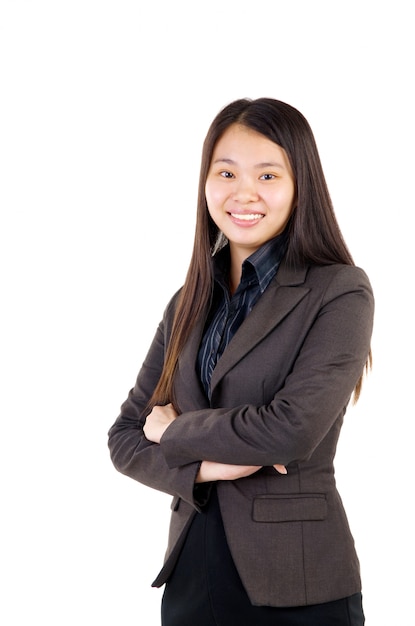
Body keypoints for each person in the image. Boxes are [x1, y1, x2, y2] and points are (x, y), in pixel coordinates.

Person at [108, 97, 374, 626]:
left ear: (301, 186)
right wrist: (209, 467)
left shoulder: (339, 292)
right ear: (205, 183)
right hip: (191, 574)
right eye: (225, 172)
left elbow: (290, 433)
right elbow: (124, 437)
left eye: (268, 174)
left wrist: (176, 431)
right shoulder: (186, 302)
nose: (243, 193)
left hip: (298, 581)